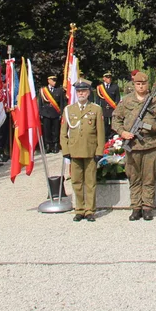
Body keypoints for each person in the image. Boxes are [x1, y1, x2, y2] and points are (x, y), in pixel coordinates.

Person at [113, 70, 156, 221]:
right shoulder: (126, 101)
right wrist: (123, 132)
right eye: (138, 84)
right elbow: (116, 119)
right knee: (133, 177)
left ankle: (147, 207)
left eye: (143, 84)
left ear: (147, 85)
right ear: (134, 84)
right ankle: (135, 207)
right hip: (132, 145)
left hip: (151, 145)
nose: (140, 86)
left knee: (149, 177)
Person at [61, 80, 105, 222]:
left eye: (84, 91)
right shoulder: (69, 110)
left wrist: (99, 150)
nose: (81, 93)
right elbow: (63, 133)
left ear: (88, 92)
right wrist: (66, 150)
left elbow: (100, 132)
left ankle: (90, 210)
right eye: (79, 91)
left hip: (90, 150)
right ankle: (79, 209)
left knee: (90, 182)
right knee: (76, 181)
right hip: (74, 150)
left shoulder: (96, 109)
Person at [39, 74, 64, 153]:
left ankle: (56, 145)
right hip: (46, 113)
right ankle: (48, 145)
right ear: (48, 81)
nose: (54, 82)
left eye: (55, 80)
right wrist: (41, 113)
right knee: (47, 130)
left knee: (56, 130)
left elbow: (62, 103)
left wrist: (62, 113)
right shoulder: (43, 91)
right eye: (53, 80)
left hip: (56, 113)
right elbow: (40, 103)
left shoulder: (59, 90)